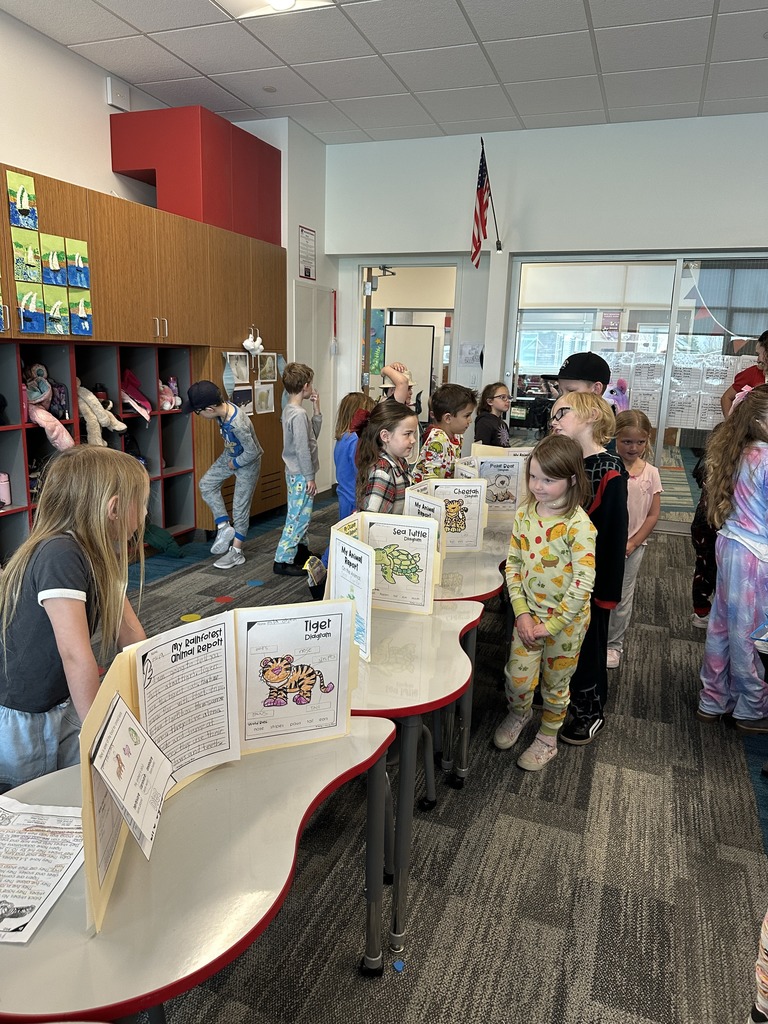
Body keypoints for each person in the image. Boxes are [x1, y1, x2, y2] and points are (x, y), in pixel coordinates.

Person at [0, 446, 148, 793]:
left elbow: (128, 632)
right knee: (37, 804)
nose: (144, 513)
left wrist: (153, 688)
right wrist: (102, 733)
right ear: (113, 508)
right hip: (26, 719)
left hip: (60, 701)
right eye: (140, 503)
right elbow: (76, 655)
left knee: (76, 791)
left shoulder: (99, 553)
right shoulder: (60, 554)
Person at [493, 434, 596, 771]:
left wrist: (549, 626)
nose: (537, 485)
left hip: (565, 625)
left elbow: (583, 584)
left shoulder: (579, 526)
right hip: (528, 618)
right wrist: (521, 614)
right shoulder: (525, 514)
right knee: (518, 679)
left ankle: (548, 738)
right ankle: (519, 714)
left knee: (556, 685)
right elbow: (514, 566)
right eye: (533, 476)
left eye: (548, 480)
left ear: (571, 479)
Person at [549, 391, 628, 744]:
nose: (554, 419)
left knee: (589, 648)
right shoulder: (568, 461)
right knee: (563, 645)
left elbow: (612, 536)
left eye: (562, 412)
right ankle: (562, 700)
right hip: (557, 576)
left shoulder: (609, 468)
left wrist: (607, 593)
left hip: (591, 583)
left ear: (591, 415)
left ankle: (590, 710)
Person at [697, 385, 768, 730]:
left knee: (722, 625)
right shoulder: (766, 459)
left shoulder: (737, 450)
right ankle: (752, 708)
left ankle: (713, 698)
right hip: (756, 556)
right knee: (749, 634)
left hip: (731, 545)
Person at [183, 379, 263, 570]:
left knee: (239, 510)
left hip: (247, 462)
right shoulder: (221, 411)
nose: (198, 415)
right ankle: (223, 526)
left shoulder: (238, 424)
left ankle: (236, 553)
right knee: (207, 484)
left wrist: (234, 463)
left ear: (209, 409)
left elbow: (254, 452)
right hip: (231, 454)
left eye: (198, 411)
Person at [606, 410, 662, 669]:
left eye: (640, 442)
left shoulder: (651, 472)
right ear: (615, 438)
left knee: (622, 596)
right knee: (596, 590)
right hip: (604, 543)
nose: (634, 447)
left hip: (633, 546)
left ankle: (613, 644)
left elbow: (652, 514)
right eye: (627, 441)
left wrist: (633, 542)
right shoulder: (607, 466)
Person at [273, 362, 322, 577]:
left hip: (296, 472)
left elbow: (311, 438)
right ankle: (282, 559)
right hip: (301, 473)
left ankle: (300, 551)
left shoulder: (292, 410)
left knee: (302, 513)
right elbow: (303, 449)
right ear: (305, 385)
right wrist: (310, 477)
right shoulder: (298, 414)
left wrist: (317, 409)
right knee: (298, 517)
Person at [356, 401, 419, 514]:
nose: (413, 440)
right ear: (385, 436)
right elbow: (373, 519)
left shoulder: (400, 461)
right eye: (407, 434)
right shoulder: (383, 472)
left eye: (413, 434)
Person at [413, 383, 477, 481]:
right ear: (448, 418)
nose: (470, 420)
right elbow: (431, 480)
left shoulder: (458, 436)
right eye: (466, 416)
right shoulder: (438, 438)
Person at [333, 391, 377, 521]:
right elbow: (359, 469)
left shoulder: (343, 437)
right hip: (354, 498)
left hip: (345, 495)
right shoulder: (354, 439)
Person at [720, 331, 768, 417]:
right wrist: (731, 426)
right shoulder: (753, 373)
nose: (757, 359)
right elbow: (726, 398)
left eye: (759, 354)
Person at [473, 381, 512, 447]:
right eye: (503, 397)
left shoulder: (503, 424)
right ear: (490, 401)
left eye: (508, 397)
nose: (507, 400)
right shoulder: (484, 422)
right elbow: (482, 448)